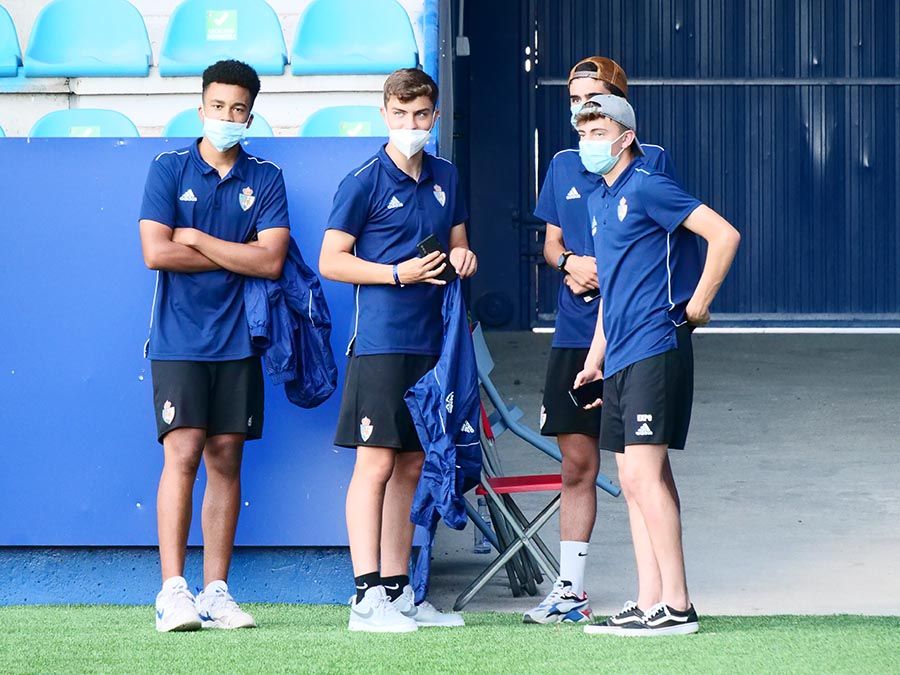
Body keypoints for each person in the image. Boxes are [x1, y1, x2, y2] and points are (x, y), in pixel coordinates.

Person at [570, 94, 740, 636]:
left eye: (599, 131)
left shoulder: (648, 185)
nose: (589, 141)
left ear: (626, 137)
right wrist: (594, 359)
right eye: (584, 131)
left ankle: (678, 605)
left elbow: (724, 234)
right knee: (631, 478)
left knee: (644, 477)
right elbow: (612, 289)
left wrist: (699, 304)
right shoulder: (599, 198)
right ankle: (648, 602)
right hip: (619, 355)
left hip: (655, 346)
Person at [319, 68, 477, 633]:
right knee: (377, 462)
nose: (412, 124)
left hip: (435, 343)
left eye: (421, 114)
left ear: (435, 116)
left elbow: (458, 243)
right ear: (385, 114)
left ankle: (397, 590)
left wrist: (463, 257)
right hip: (381, 343)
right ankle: (366, 598)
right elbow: (331, 260)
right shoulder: (362, 181)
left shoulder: (446, 175)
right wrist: (395, 273)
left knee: (412, 462)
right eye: (401, 114)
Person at [139, 60, 290, 632]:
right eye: (218, 106)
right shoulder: (168, 168)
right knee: (182, 453)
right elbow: (156, 252)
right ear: (201, 107)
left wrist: (200, 238)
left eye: (238, 108)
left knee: (226, 456)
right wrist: (236, 252)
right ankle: (172, 592)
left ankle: (216, 592)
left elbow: (270, 262)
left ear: (250, 115)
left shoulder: (266, 177)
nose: (227, 116)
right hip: (178, 341)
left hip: (240, 340)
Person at [525, 56, 676, 624]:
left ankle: (661, 594)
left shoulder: (651, 160)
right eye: (572, 100)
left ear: (619, 102)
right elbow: (550, 245)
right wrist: (571, 264)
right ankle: (571, 591)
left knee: (646, 470)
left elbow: (671, 239)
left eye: (590, 98)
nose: (579, 109)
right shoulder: (563, 163)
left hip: (634, 334)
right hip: (575, 331)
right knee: (576, 464)